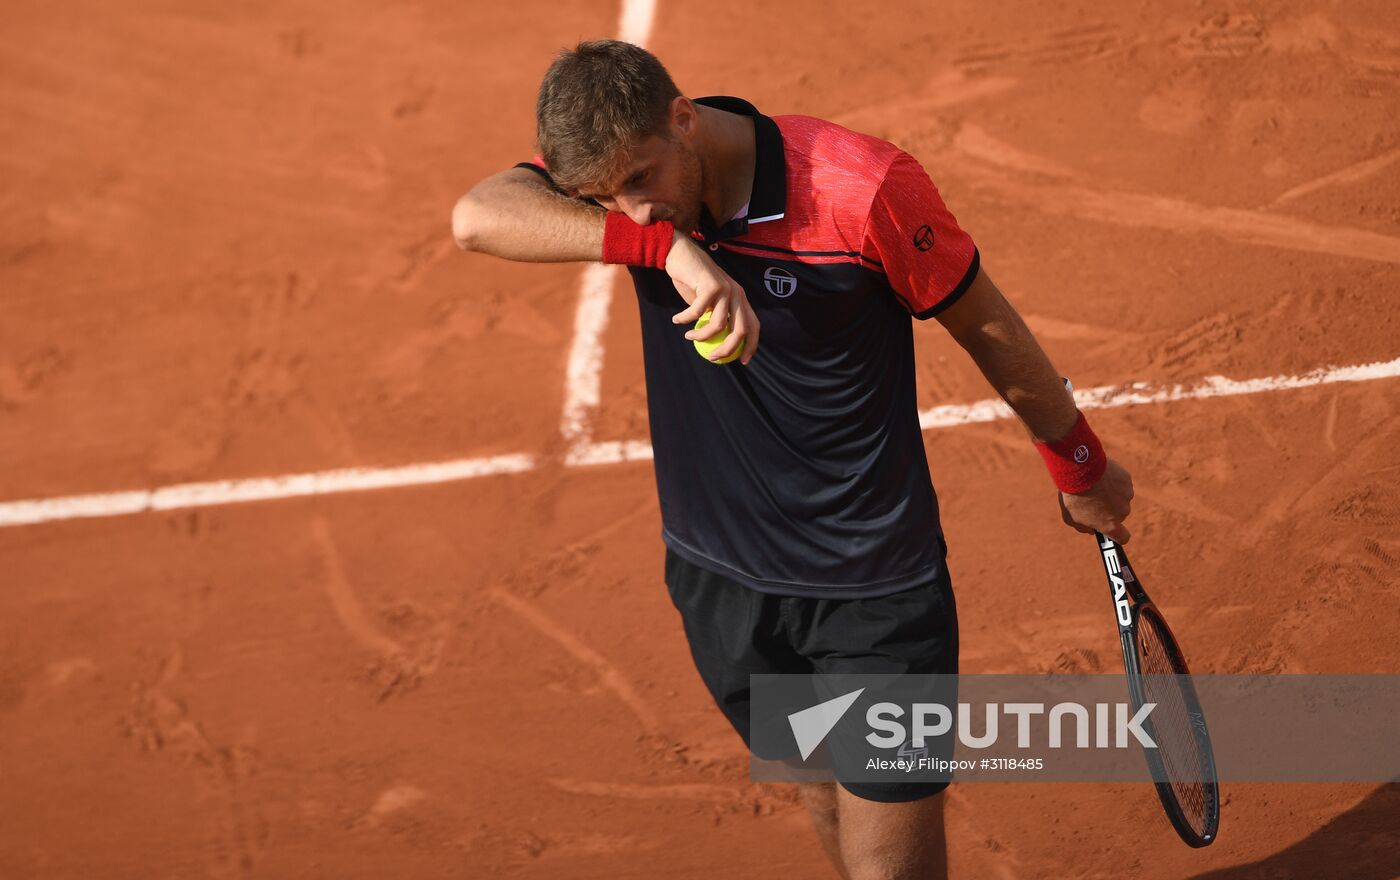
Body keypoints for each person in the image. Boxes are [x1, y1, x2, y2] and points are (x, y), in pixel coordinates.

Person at [452, 39, 1133, 880]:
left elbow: (984, 323)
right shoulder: (638, 206)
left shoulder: (859, 187)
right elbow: (477, 216)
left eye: (639, 183)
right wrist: (663, 248)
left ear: (682, 118)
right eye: (601, 197)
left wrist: (1079, 463)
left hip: (873, 590)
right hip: (723, 582)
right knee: (819, 795)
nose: (627, 211)